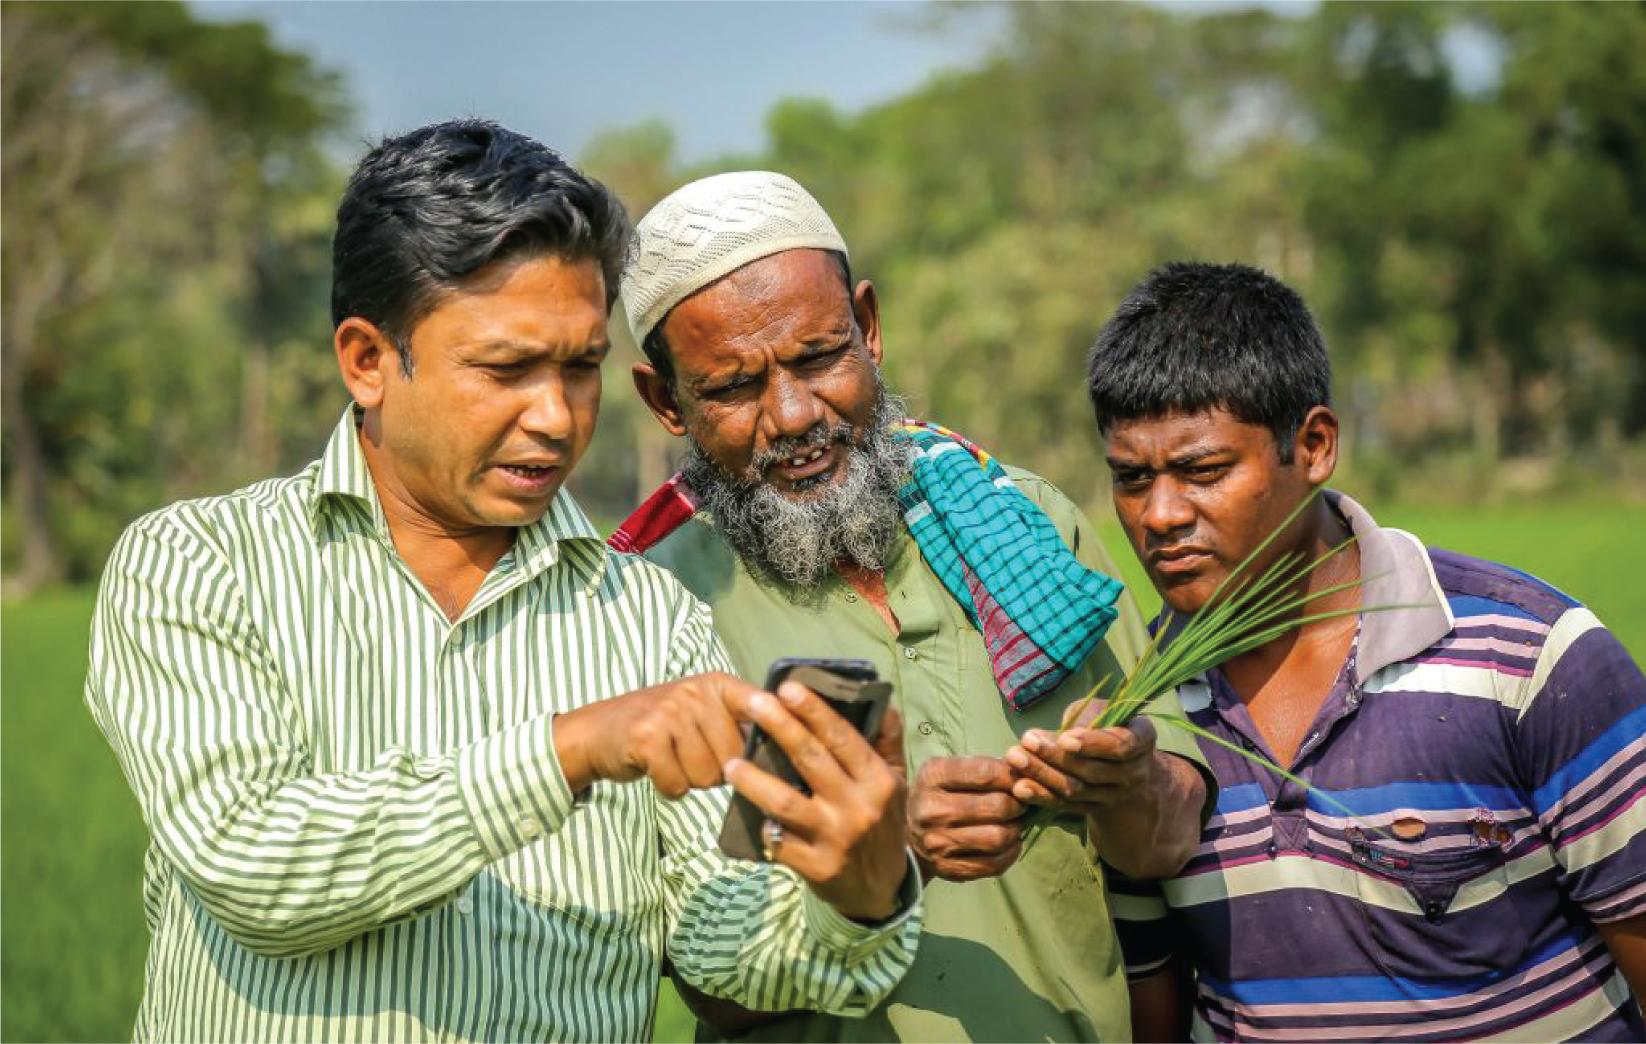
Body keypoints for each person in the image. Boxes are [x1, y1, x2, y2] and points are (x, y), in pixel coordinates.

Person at [83, 122, 922, 1043]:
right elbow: (253, 867)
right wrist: (568, 750)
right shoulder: (198, 564)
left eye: (580, 367)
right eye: (507, 369)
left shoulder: (651, 619)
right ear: (367, 360)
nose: (556, 417)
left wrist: (855, 892)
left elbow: (718, 943)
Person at [612, 170, 1212, 1042]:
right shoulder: (656, 607)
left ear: (870, 327)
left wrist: (1129, 785)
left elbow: (1165, 842)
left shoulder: (1027, 526)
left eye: (819, 358)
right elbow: (702, 987)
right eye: (736, 388)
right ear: (667, 401)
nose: (791, 415)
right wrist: (883, 866)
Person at [1061, 261, 1646, 1041]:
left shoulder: (1528, 657)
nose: (1159, 514)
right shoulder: (1138, 719)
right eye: (1131, 479)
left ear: (1314, 445)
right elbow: (1154, 1009)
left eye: (1202, 471)